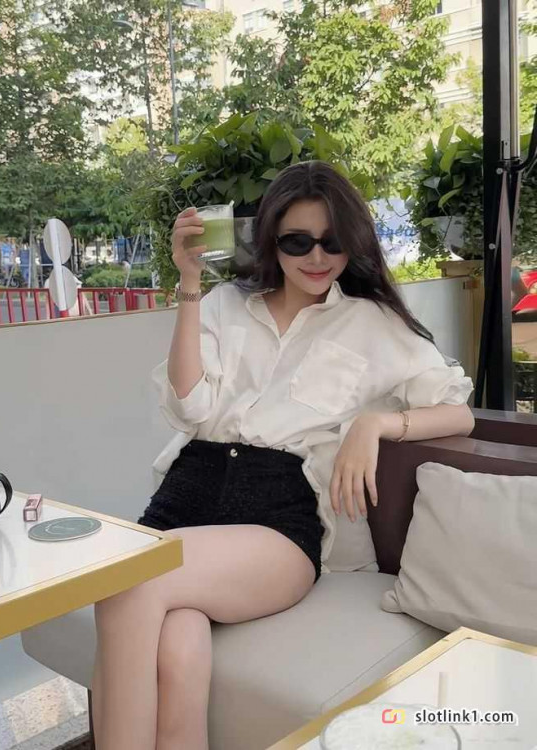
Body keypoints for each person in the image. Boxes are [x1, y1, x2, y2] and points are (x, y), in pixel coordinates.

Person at [92, 161, 476, 750]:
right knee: (179, 643)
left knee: (128, 582)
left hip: (275, 516)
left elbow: (457, 411)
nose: (317, 257)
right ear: (272, 238)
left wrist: (374, 423)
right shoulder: (225, 303)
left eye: (333, 241)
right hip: (185, 496)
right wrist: (189, 285)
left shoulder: (371, 322)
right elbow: (190, 405)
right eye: (298, 241)